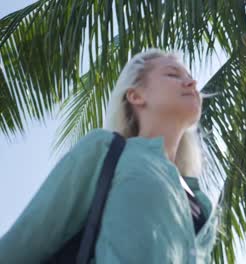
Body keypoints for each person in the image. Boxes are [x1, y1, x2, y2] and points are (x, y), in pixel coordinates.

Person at [0, 48, 222, 263]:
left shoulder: (203, 206)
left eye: (191, 77)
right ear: (135, 95)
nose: (192, 83)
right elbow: (26, 239)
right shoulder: (108, 150)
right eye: (173, 74)